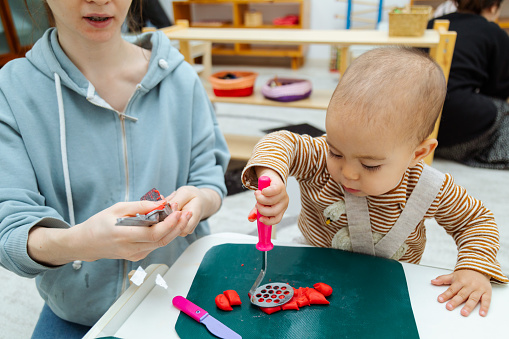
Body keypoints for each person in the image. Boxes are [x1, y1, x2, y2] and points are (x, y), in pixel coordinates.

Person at [0, 0, 229, 337]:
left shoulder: (180, 79)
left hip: (178, 300)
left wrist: (199, 199)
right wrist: (80, 243)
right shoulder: (13, 92)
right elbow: (11, 234)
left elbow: (210, 181)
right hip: (77, 314)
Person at [241, 47, 508, 319]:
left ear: (417, 154)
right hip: (313, 266)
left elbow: (477, 221)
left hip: (386, 286)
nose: (348, 172)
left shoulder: (431, 188)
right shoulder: (320, 157)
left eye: (370, 165)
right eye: (337, 151)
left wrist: (474, 268)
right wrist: (272, 176)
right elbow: (279, 142)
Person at [428, 0, 509, 169]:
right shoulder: (494, 32)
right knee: (501, 110)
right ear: (494, 7)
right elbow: (498, 89)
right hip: (459, 120)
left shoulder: (432, 24)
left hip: (416, 128)